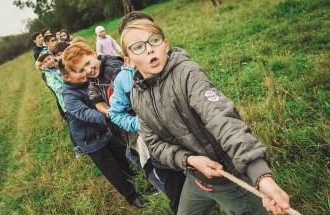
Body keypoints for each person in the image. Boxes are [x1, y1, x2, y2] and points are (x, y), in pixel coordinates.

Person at [120, 19, 291, 215]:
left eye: (155, 40)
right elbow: (154, 144)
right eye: (139, 47)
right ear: (129, 60)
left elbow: (222, 120)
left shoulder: (188, 74)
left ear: (165, 44)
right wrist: (190, 160)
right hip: (195, 177)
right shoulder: (137, 95)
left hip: (228, 179)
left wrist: (260, 176)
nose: (150, 49)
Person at [107, 11, 186, 214]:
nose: (148, 48)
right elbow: (115, 113)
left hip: (187, 137)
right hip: (158, 148)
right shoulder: (125, 79)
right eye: (137, 43)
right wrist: (142, 124)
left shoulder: (177, 64)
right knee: (177, 193)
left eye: (151, 37)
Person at [61, 42, 147, 208]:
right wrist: (112, 114)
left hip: (106, 131)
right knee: (112, 170)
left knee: (123, 158)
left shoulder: (95, 75)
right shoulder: (69, 96)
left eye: (85, 65)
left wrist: (109, 111)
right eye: (78, 71)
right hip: (91, 140)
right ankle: (132, 196)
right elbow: (86, 113)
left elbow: (101, 95)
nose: (84, 73)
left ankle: (138, 180)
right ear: (68, 76)